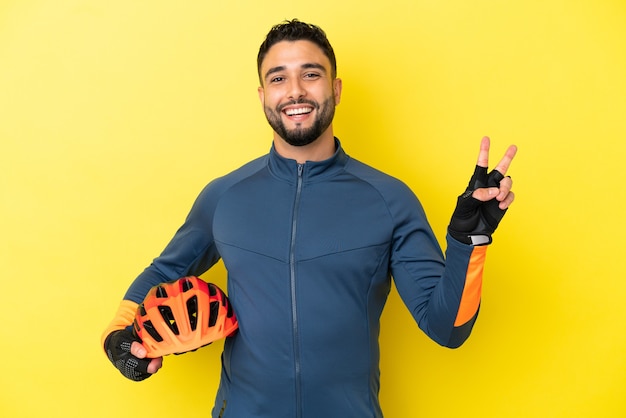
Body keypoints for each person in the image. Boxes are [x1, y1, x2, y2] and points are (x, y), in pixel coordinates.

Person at [102, 19, 517, 418]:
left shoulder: (390, 200)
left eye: (311, 74)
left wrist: (469, 242)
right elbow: (163, 270)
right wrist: (119, 340)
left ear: (335, 89)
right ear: (263, 95)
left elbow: (447, 329)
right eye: (279, 78)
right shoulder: (224, 196)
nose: (295, 91)